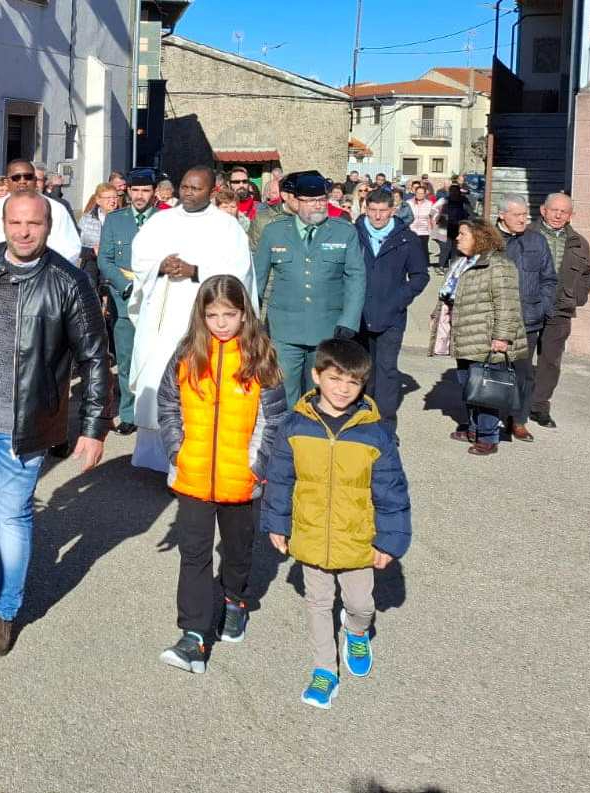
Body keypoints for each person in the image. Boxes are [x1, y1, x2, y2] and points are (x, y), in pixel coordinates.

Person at [0, 191, 112, 656]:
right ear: (3, 223)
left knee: (12, 513)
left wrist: (93, 427)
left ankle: (3, 612)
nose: (24, 232)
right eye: (16, 223)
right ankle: (6, 558)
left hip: (25, 424)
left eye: (34, 224)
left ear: (48, 226)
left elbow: (94, 358)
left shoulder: (70, 283)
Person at [261, 338, 412, 710]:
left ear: (363, 385)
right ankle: (324, 671)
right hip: (310, 533)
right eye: (335, 379)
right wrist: (277, 523)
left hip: (358, 539)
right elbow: (280, 479)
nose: (343, 389)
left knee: (361, 604)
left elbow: (392, 490)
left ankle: (357, 632)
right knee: (317, 602)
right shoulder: (295, 426)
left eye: (353, 383)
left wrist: (389, 542)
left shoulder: (375, 433)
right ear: (316, 376)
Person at [154, 276, 287, 674]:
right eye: (212, 315)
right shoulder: (188, 353)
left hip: (241, 479)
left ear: (244, 313)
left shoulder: (260, 358)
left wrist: (255, 465)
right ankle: (193, 635)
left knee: (236, 551)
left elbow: (275, 419)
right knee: (193, 554)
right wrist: (177, 448)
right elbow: (168, 402)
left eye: (229, 314)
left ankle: (235, 601)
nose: (221, 323)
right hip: (193, 474)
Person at [129, 166, 257, 472]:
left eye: (195, 188)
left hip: (203, 320)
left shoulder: (227, 227)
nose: (187, 192)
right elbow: (140, 257)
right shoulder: (161, 220)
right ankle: (158, 460)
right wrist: (161, 265)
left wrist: (195, 270)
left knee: (196, 388)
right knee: (158, 378)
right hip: (161, 318)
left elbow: (237, 271)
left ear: (212, 191)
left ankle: (193, 463)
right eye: (184, 186)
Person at [255, 172, 366, 406]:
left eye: (322, 199)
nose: (318, 205)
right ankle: (285, 439)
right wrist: (252, 321)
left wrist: (349, 320)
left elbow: (356, 277)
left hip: (327, 327)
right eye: (311, 200)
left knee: (321, 393)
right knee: (283, 391)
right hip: (284, 329)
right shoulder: (274, 232)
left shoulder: (344, 231)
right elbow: (258, 278)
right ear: (296, 202)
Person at [440, 220, 529, 455]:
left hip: (487, 338)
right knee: (469, 385)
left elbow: (507, 305)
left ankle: (488, 437)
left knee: (487, 387)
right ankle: (474, 428)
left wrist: (502, 337)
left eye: (463, 234)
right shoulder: (462, 264)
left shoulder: (498, 265)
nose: (457, 238)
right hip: (466, 335)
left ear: (479, 237)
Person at [355, 188, 430, 432]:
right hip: (358, 314)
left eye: (383, 211)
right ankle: (358, 418)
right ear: (365, 209)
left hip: (392, 315)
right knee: (361, 369)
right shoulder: (353, 234)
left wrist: (400, 299)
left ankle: (384, 426)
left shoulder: (407, 238)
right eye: (373, 210)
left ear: (392, 210)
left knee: (386, 371)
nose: (377, 217)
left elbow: (420, 276)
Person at [97, 169, 159, 434]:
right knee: (126, 359)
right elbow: (105, 260)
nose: (140, 196)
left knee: (156, 359)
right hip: (124, 302)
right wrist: (127, 285)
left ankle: (157, 410)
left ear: (154, 192)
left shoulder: (164, 220)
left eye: (145, 190)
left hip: (157, 302)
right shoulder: (115, 220)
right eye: (135, 190)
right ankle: (129, 413)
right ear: (128, 191)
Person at [529, 193, 590, 427]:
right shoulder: (526, 235)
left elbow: (586, 273)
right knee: (521, 357)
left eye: (564, 212)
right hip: (529, 304)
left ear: (571, 215)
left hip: (560, 308)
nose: (558, 215)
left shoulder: (579, 241)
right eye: (554, 210)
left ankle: (539, 406)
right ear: (543, 210)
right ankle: (514, 405)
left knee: (550, 361)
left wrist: (578, 296)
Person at [496, 194, 557, 442]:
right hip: (495, 320)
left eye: (525, 214)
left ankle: (518, 420)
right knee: (493, 371)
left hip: (528, 319)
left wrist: (542, 307)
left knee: (523, 373)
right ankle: (488, 419)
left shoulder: (537, 241)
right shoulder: (488, 240)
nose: (524, 219)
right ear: (502, 215)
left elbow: (549, 278)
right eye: (518, 215)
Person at [0, 159, 81, 264]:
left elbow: (70, 250)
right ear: (7, 182)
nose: (22, 181)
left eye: (28, 177)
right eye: (16, 177)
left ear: (35, 180)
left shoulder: (57, 209)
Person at [437, 184, 470, 270]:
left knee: (456, 247)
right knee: (444, 247)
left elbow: (470, 212)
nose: (454, 193)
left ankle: (453, 265)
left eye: (455, 191)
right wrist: (436, 219)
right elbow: (434, 210)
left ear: (459, 192)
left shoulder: (464, 201)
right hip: (444, 226)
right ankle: (441, 265)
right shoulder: (444, 200)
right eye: (452, 191)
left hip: (458, 226)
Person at [405, 183, 437, 264]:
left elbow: (432, 217)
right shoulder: (408, 203)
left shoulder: (429, 204)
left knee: (423, 248)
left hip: (424, 230)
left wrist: (433, 229)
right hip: (411, 229)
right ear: (415, 193)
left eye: (421, 193)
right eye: (418, 193)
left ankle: (425, 265)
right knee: (411, 248)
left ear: (425, 194)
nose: (419, 195)